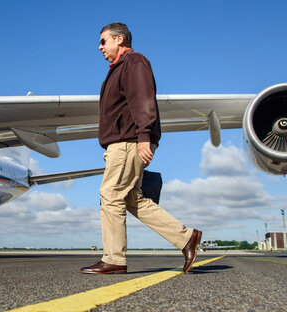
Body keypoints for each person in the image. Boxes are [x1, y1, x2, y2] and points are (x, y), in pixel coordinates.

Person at [80, 23, 202, 275]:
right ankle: (186, 237)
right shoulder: (120, 68)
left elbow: (142, 98)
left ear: (119, 39)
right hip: (123, 142)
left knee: (110, 194)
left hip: (127, 142)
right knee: (131, 199)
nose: (99, 47)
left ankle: (114, 259)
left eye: (103, 41)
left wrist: (144, 136)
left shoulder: (134, 62)